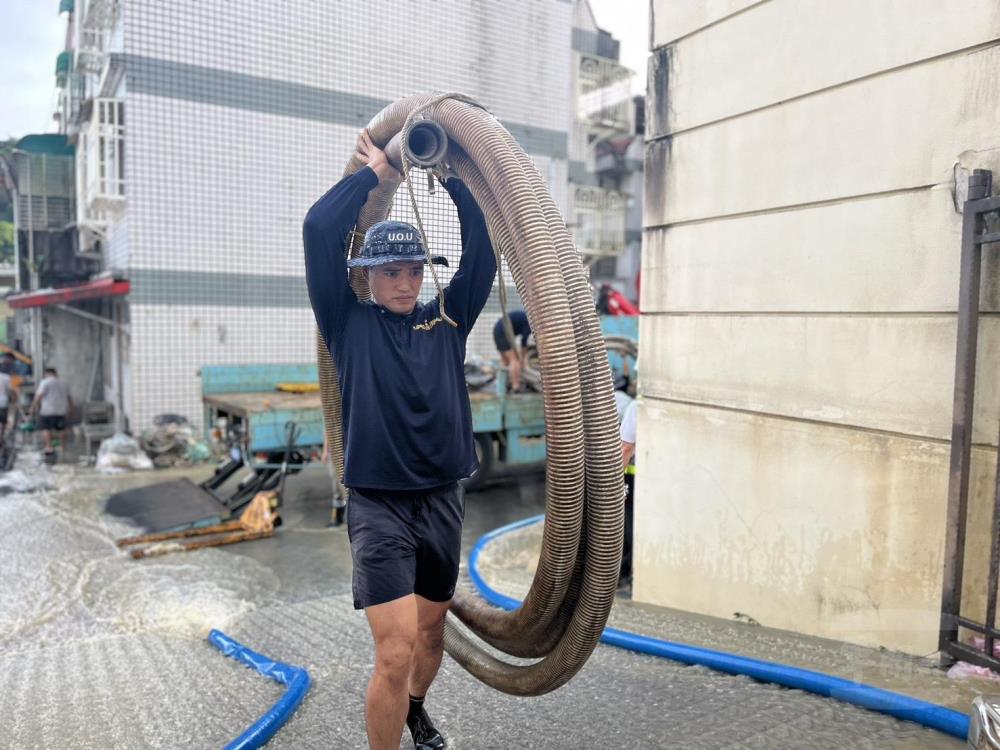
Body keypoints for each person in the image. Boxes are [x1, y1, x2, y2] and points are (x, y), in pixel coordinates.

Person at [303, 129, 496, 750]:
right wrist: (376, 174)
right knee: (395, 651)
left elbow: (484, 254)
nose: (406, 282)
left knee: (431, 639)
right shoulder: (347, 322)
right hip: (378, 504)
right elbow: (317, 229)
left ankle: (416, 709)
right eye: (393, 271)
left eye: (415, 270)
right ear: (368, 273)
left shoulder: (447, 320)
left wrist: (450, 179)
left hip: (441, 498)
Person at [31, 367, 71, 455]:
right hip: (61, 410)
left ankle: (49, 447)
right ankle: (62, 447)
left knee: (46, 428)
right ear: (55, 373)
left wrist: (33, 408)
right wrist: (70, 408)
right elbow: (69, 397)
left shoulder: (45, 382)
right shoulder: (64, 383)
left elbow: (38, 396)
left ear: (47, 374)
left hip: (47, 411)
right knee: (61, 429)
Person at [619, 399, 638, 586]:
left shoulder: (636, 407)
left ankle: (623, 575)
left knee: (627, 526)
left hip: (634, 480)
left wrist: (613, 484)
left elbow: (625, 447)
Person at [492, 309, 531, 391]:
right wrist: (524, 359)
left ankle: (501, 386)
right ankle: (515, 387)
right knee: (515, 359)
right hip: (503, 332)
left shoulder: (526, 316)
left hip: (498, 330)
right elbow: (524, 341)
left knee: (505, 361)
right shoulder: (530, 320)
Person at [0, 354, 16, 441]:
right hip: (3, 402)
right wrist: (14, 400)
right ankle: (1, 437)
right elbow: (11, 390)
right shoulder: (6, 377)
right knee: (2, 421)